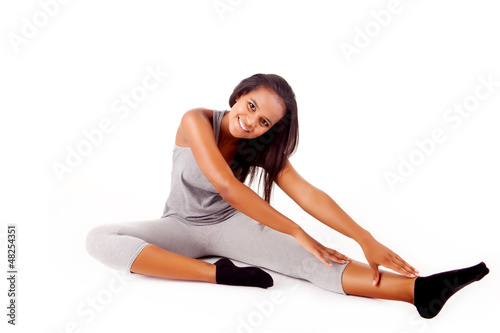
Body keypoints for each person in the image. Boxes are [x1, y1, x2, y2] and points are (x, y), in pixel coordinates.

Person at [86, 73, 489, 319]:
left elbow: (308, 193)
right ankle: (219, 274)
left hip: (231, 228)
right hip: (179, 226)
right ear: (238, 94)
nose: (251, 121)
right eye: (251, 105)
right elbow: (227, 185)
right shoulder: (195, 120)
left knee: (315, 260)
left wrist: (365, 238)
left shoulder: (258, 146)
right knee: (100, 239)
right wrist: (298, 231)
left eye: (264, 122)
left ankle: (418, 292)